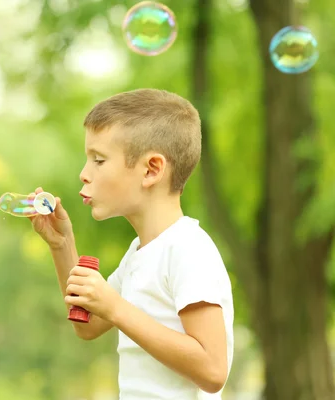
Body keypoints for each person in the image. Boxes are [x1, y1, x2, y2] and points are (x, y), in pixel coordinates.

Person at [29, 89, 234, 399]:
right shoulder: (138, 254)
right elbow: (87, 325)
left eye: (98, 160)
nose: (84, 174)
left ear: (151, 170)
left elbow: (213, 370)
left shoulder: (188, 249)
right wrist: (62, 243)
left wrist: (117, 308)